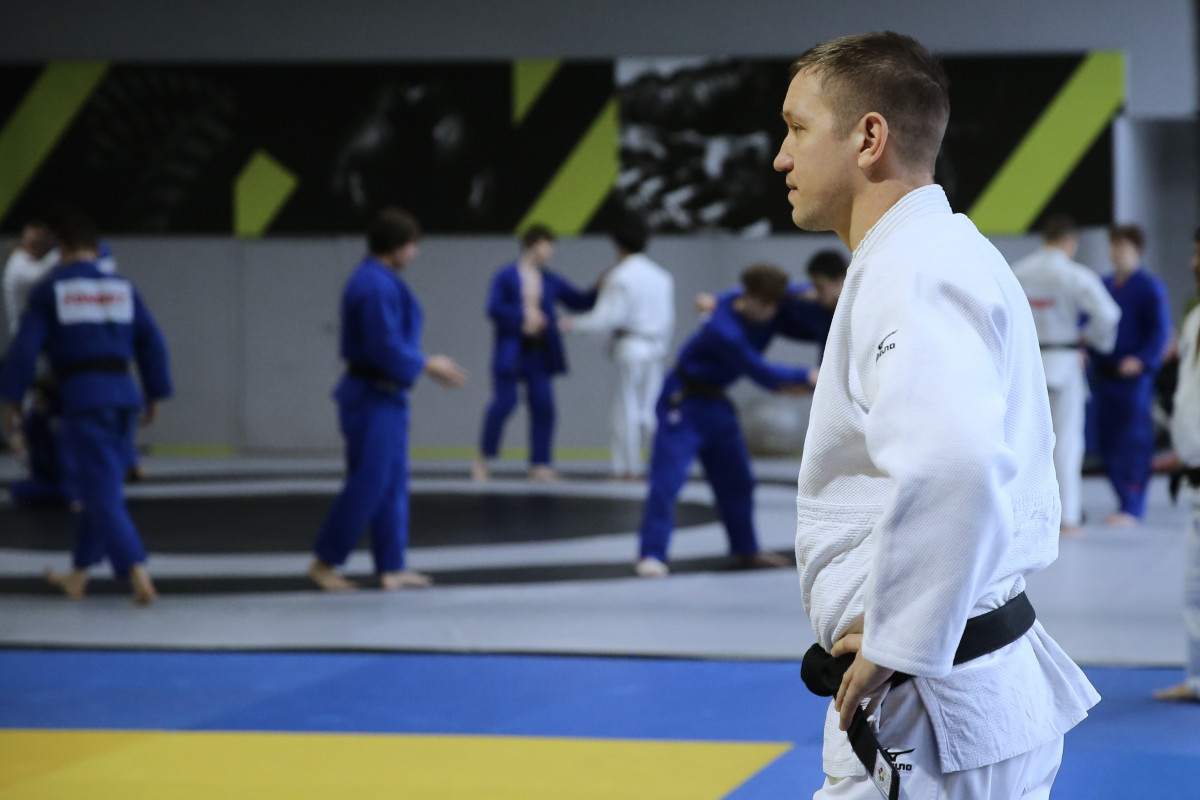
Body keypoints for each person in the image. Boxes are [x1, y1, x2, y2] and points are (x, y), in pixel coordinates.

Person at [777, 32, 1098, 799]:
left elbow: (955, 463)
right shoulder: (945, 251)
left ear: (869, 138)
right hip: (964, 690)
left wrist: (898, 640)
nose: (782, 158)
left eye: (796, 128)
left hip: (927, 709)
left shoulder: (914, 270)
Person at [0, 211, 171, 605]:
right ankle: (78, 574)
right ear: (96, 248)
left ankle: (137, 571)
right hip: (125, 395)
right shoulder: (123, 287)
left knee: (97, 491)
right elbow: (152, 343)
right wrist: (154, 394)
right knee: (105, 485)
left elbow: (25, 349)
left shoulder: (51, 289)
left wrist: (13, 398)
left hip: (84, 397)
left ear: (61, 249)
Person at [308, 208, 468, 592]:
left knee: (392, 483)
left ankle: (392, 566)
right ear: (396, 246)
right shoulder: (373, 285)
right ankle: (324, 562)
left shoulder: (378, 280)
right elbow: (383, 345)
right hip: (370, 396)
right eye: (412, 245)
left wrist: (422, 364)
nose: (414, 253)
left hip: (386, 396)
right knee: (370, 482)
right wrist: (427, 363)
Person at [635, 263, 816, 578]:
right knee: (667, 481)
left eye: (775, 305)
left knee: (738, 481)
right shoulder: (721, 327)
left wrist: (822, 292)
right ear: (749, 297)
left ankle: (746, 549)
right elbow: (761, 372)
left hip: (716, 401)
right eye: (764, 305)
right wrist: (809, 376)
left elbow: (798, 292)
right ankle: (651, 554)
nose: (770, 313)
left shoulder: (756, 301)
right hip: (683, 401)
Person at [1011, 215, 1121, 534]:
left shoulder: (1018, 271)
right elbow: (1109, 314)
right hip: (1064, 359)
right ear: (1070, 242)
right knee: (1067, 442)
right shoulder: (1074, 274)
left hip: (1028, 365)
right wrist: (1091, 339)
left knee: (1023, 442)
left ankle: (1022, 515)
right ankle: (1068, 516)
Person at [472, 225, 598, 483]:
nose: (551, 250)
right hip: (512, 350)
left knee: (544, 406)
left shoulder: (550, 279)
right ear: (533, 244)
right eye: (547, 244)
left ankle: (540, 463)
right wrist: (523, 315)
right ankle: (483, 458)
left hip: (539, 352)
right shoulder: (506, 275)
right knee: (504, 403)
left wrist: (599, 288)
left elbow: (577, 301)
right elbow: (494, 308)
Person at [561, 215, 675, 480]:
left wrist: (572, 324)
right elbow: (668, 319)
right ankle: (659, 465)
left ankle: (627, 469)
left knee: (625, 410)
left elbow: (606, 318)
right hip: (655, 347)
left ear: (617, 245)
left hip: (630, 347)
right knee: (651, 410)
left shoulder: (620, 275)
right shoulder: (662, 277)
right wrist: (662, 346)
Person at [1091, 224, 1172, 527]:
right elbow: (1089, 322)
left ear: (1137, 250)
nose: (1116, 254)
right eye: (1113, 247)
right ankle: (1122, 499)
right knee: (1106, 439)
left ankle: (1133, 505)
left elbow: (1159, 331)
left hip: (1134, 379)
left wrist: (1141, 360)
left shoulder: (1149, 287)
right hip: (1104, 376)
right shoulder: (1103, 285)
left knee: (1133, 441)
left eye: (1122, 248)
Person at [1155, 227, 1200, 702]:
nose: (1193, 263)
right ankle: (1197, 679)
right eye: (1193, 254)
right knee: (1195, 592)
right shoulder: (1194, 320)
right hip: (1194, 478)